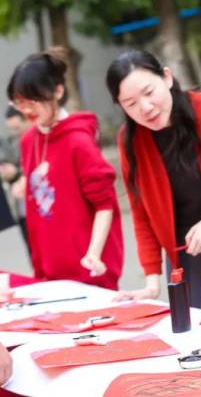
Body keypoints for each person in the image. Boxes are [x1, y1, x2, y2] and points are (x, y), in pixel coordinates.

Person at [106, 50, 201, 309]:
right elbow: (142, 213)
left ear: (167, 78)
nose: (145, 108)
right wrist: (152, 282)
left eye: (149, 92)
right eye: (130, 104)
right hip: (187, 256)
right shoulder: (130, 140)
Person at [7, 48, 123, 289]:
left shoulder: (77, 141)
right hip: (48, 270)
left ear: (58, 91)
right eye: (20, 103)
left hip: (88, 270)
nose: (27, 110)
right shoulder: (29, 139)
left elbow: (104, 204)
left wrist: (93, 255)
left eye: (33, 101)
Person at [0, 106, 31, 253]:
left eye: (17, 128)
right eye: (11, 129)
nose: (15, 133)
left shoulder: (37, 140)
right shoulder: (12, 143)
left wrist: (17, 173)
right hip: (21, 209)